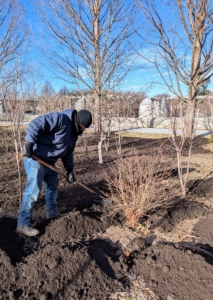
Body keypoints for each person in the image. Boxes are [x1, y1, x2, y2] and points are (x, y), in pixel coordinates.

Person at [16, 108, 92, 237]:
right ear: (79, 123)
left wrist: (70, 170)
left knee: (52, 186)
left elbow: (68, 154)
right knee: (33, 191)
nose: (83, 130)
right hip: (35, 157)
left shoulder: (74, 135)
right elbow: (36, 124)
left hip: (49, 162)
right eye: (83, 127)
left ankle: (52, 213)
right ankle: (23, 224)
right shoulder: (60, 119)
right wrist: (29, 143)